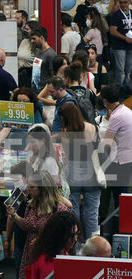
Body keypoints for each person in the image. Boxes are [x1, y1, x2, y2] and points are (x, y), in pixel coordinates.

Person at [6, 171, 70, 279]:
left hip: (48, 256)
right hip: (30, 255)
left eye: (32, 186)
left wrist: (42, 239)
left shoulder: (59, 209)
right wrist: (14, 216)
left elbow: (66, 238)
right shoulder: (32, 205)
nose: (28, 188)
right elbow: (28, 226)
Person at [59, 103, 100, 240]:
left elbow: (66, 156)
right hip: (92, 174)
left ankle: (75, 244)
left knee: (73, 210)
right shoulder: (92, 128)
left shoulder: (65, 132)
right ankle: (93, 244)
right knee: (92, 213)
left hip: (73, 173)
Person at [101, 85, 132, 209]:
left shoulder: (116, 116)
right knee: (123, 193)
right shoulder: (127, 110)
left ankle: (119, 222)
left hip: (119, 160)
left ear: (105, 101)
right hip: (128, 158)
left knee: (118, 194)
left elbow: (107, 143)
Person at [29, 211, 81, 279]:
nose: (75, 239)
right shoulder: (47, 262)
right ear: (59, 236)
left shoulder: (62, 251)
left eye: (76, 234)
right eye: (71, 236)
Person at [0, 87, 46, 152]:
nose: (22, 103)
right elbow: (6, 129)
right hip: (15, 145)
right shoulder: (13, 110)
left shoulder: (38, 105)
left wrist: (45, 130)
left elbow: (46, 119)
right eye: (19, 101)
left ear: (31, 100)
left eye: (25, 101)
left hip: (34, 146)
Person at [5, 161, 33, 279]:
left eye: (17, 179)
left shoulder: (36, 194)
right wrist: (7, 240)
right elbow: (10, 217)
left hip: (33, 243)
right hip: (19, 241)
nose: (15, 182)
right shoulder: (16, 193)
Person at [110, 0, 132, 97]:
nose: (124, 5)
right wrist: (125, 38)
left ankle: (127, 87)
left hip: (130, 46)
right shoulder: (117, 15)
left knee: (128, 68)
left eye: (125, 2)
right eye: (121, 3)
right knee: (120, 69)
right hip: (120, 46)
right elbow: (113, 31)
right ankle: (120, 88)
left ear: (129, 2)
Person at [31, 27, 56, 92]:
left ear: (41, 38)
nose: (32, 41)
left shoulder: (50, 54)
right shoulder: (38, 52)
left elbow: (53, 76)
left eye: (34, 39)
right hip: (35, 90)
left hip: (44, 92)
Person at [18, 20, 40, 88]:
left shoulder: (37, 45)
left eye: (27, 29)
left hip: (30, 76)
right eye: (25, 28)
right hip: (20, 75)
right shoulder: (24, 41)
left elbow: (38, 64)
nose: (25, 31)